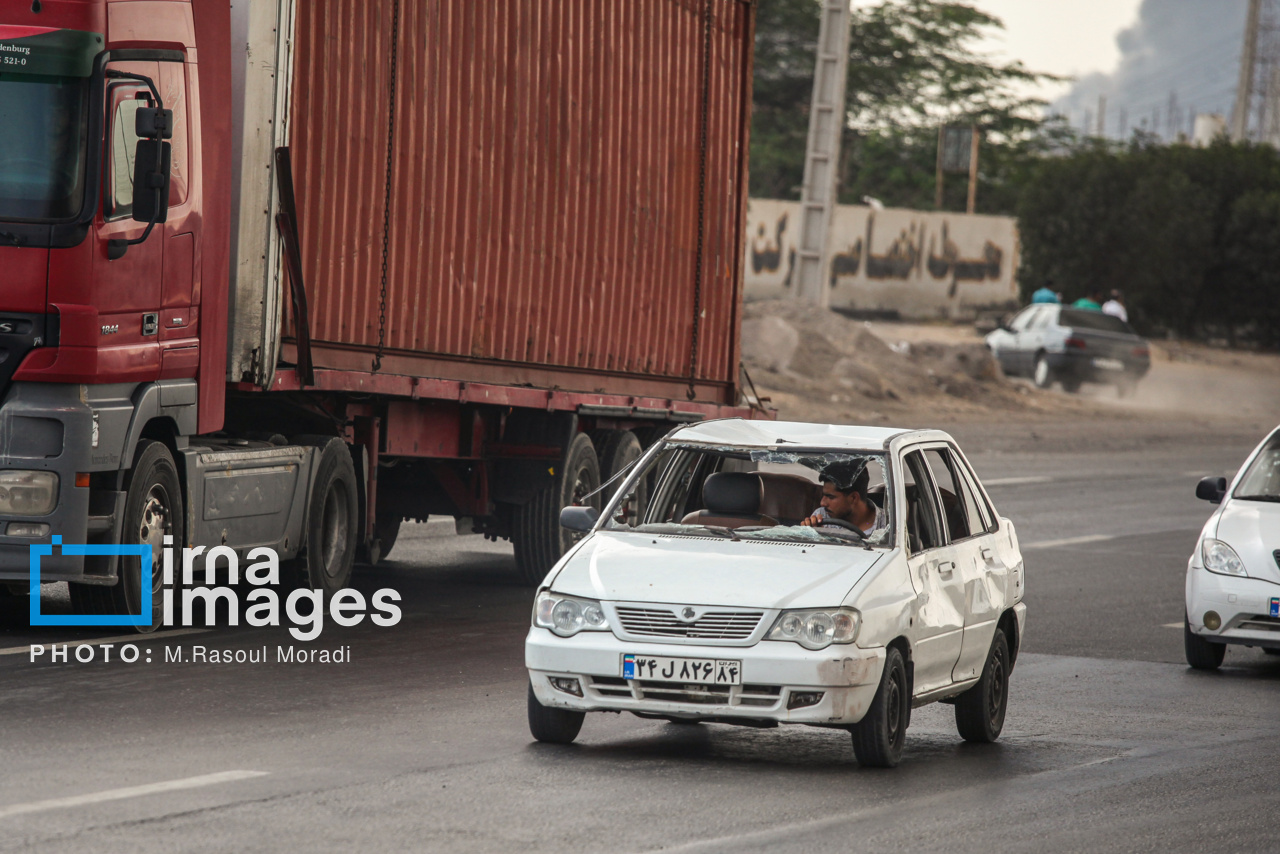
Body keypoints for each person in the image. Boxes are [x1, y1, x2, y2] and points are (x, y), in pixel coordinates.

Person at [801, 459, 888, 539]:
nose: (822, 503)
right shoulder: (822, 515)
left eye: (831, 497)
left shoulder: (887, 525)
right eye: (823, 495)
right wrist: (811, 533)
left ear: (853, 498)